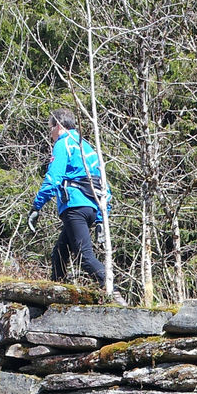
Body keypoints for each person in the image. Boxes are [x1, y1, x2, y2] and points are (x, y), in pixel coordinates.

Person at [28, 110, 124, 302]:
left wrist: (36, 207)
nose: (50, 133)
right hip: (92, 208)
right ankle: (56, 296)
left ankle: (113, 291)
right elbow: (104, 185)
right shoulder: (87, 147)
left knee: (84, 255)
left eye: (51, 128)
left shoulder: (63, 144)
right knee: (60, 252)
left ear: (58, 126)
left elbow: (53, 178)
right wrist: (100, 219)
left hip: (74, 206)